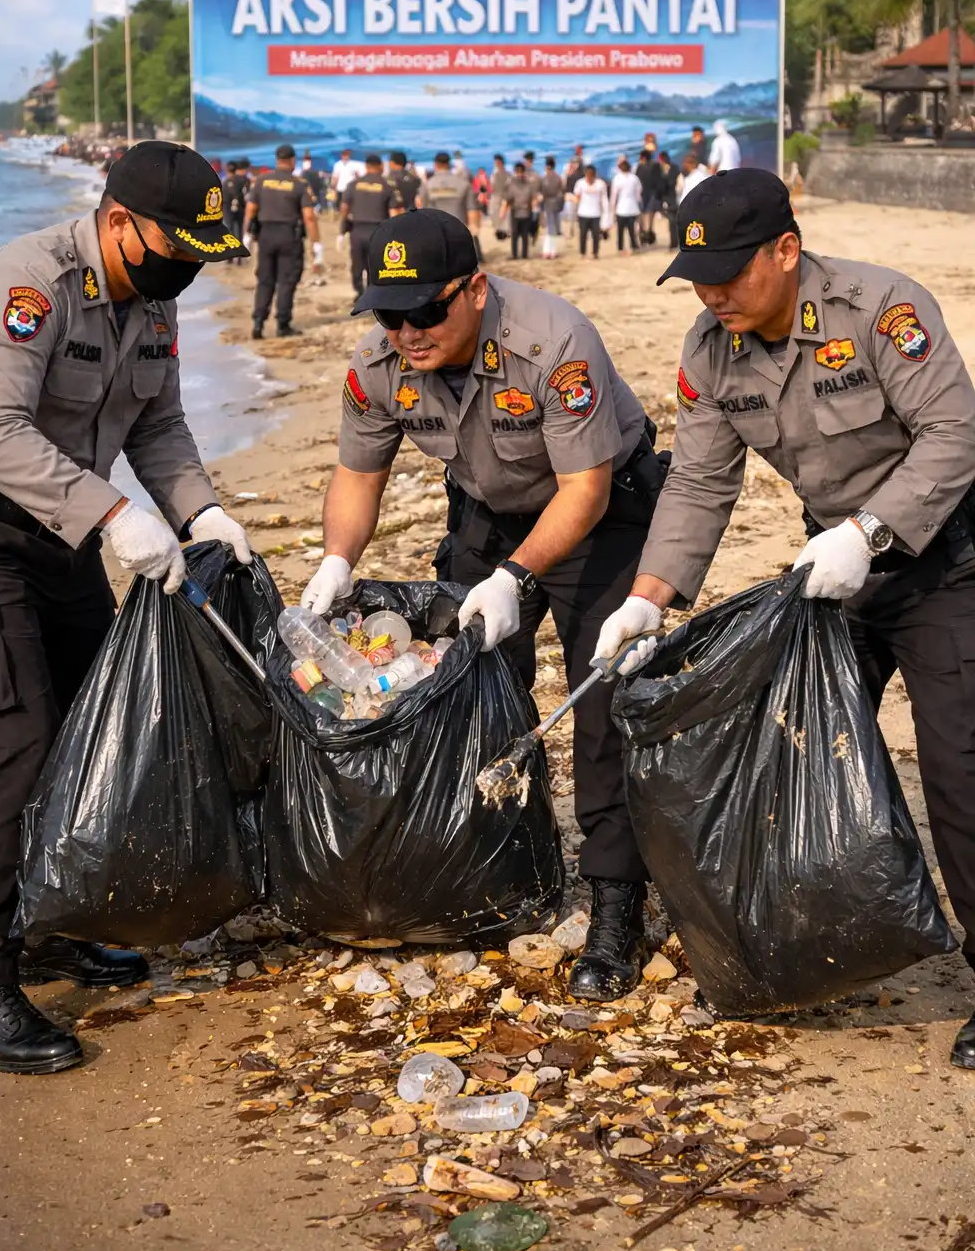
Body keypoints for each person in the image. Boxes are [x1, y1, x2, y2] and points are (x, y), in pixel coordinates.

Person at [592, 166, 975, 1067]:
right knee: (797, 754)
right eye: (698, 279)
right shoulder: (709, 349)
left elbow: (955, 436)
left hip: (945, 563)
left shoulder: (881, 311)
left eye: (729, 274)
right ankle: (813, 947)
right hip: (831, 576)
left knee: (961, 773)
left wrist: (869, 532)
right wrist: (647, 597)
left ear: (787, 250)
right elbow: (699, 480)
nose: (713, 295)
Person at [300, 209, 667, 999]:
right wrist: (336, 560)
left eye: (426, 312)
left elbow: (585, 490)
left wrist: (515, 577)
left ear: (473, 289)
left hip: (601, 514)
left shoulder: (553, 344)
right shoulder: (378, 363)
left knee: (603, 698)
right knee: (465, 693)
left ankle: (616, 905)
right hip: (486, 513)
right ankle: (493, 871)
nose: (408, 333)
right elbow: (358, 476)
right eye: (390, 315)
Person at [0, 141, 254, 1073]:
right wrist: (117, 514)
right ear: (119, 221)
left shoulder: (152, 302)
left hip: (65, 538)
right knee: (15, 747)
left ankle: (44, 925)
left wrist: (200, 512)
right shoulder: (27, 285)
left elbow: (158, 425)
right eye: (175, 247)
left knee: (91, 732)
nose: (185, 268)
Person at [244, 145, 318, 338]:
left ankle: (258, 323)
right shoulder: (299, 184)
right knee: (286, 281)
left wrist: (246, 235)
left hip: (266, 235)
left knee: (265, 280)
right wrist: (316, 243)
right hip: (289, 236)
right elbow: (309, 216)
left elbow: (251, 209)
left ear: (277, 160)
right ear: (293, 161)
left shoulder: (262, 181)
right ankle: (282, 325)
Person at [341, 154, 403, 303]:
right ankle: (372, 293)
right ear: (380, 166)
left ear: (366, 166)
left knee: (357, 263)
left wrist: (342, 229)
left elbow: (344, 208)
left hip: (357, 230)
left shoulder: (354, 184)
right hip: (377, 231)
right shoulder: (387, 186)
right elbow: (394, 213)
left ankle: (359, 292)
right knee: (375, 264)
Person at [419, 151, 482, 258]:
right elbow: (472, 208)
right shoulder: (464, 184)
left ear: (435, 164)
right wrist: (474, 229)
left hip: (436, 232)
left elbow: (423, 208)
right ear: (449, 164)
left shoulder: (427, 185)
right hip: (459, 229)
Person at [500, 161, 537, 260]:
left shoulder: (512, 183)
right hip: (523, 211)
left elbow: (507, 199)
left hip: (519, 211)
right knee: (521, 234)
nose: (519, 174)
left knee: (518, 234)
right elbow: (534, 198)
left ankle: (518, 255)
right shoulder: (527, 183)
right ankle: (521, 254)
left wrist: (503, 211)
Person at [573, 163, 609, 258]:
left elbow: (604, 199)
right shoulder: (580, 183)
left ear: (594, 175)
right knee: (583, 234)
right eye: (588, 176)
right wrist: (575, 210)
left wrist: (606, 213)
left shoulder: (600, 184)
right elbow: (577, 197)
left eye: (591, 176)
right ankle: (583, 253)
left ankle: (595, 252)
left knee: (596, 235)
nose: (589, 178)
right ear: (585, 174)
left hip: (596, 214)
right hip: (583, 213)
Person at [609, 158, 643, 254]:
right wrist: (639, 204)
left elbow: (614, 195)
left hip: (621, 208)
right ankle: (634, 246)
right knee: (632, 229)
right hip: (632, 207)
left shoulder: (617, 178)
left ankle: (620, 248)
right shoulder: (634, 178)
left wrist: (612, 207)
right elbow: (639, 193)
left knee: (620, 230)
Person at [636, 147, 664, 246]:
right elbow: (659, 179)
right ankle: (647, 234)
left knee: (645, 215)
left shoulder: (642, 166)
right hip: (651, 193)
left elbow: (637, 180)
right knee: (649, 216)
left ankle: (646, 235)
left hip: (647, 193)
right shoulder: (654, 165)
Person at [539, 156, 565, 259]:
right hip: (556, 203)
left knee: (549, 228)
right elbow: (562, 192)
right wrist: (560, 205)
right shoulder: (558, 177)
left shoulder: (544, 178)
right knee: (552, 227)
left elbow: (541, 192)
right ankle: (552, 251)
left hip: (547, 204)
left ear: (547, 166)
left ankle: (547, 251)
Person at [657, 150, 680, 250]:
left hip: (669, 198)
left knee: (672, 222)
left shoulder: (663, 170)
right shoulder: (675, 167)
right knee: (675, 221)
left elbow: (662, 186)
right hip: (675, 197)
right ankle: (675, 242)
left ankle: (674, 243)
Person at [489, 154, 510, 240]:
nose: (496, 163)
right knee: (494, 214)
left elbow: (508, 186)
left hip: (502, 197)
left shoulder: (505, 173)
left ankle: (504, 233)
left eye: (497, 161)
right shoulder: (494, 172)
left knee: (504, 216)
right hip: (495, 196)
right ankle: (499, 231)